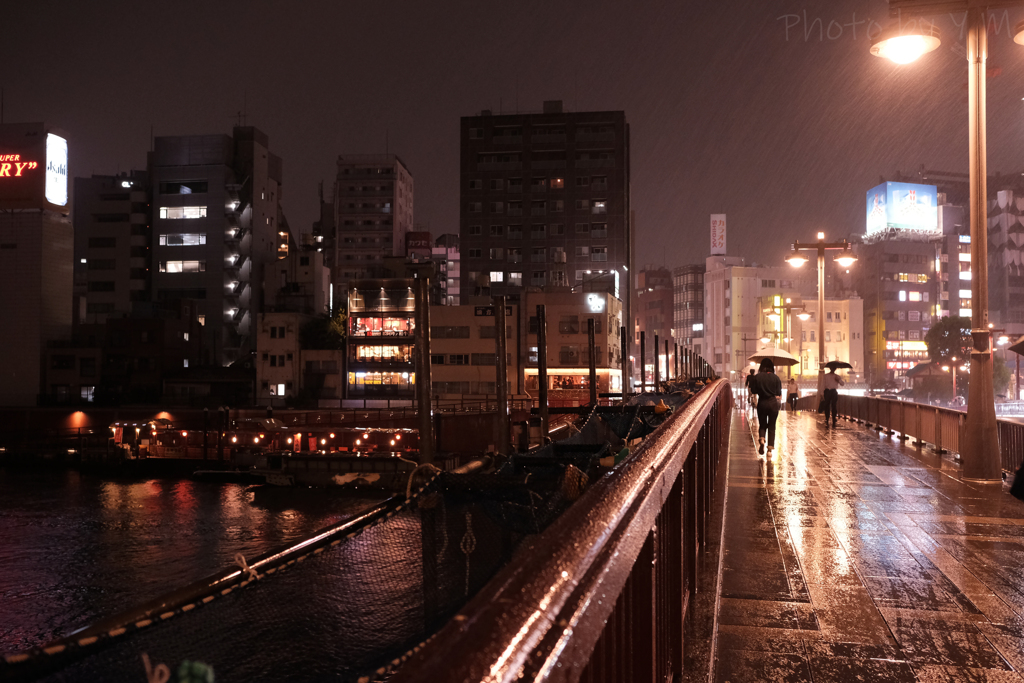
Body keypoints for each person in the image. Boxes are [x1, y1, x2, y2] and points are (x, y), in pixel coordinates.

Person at [749, 358, 782, 455]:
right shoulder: (776, 378)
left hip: (762, 402)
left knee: (762, 424)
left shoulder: (757, 377)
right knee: (772, 425)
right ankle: (769, 450)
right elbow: (778, 393)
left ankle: (762, 439)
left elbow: (754, 391)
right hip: (773, 403)